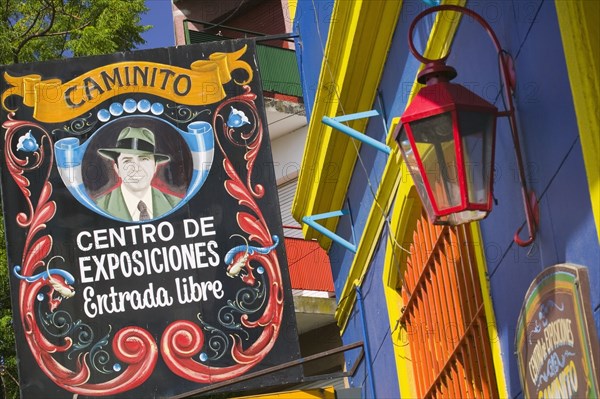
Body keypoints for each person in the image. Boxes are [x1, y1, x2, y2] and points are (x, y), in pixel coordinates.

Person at [96, 126, 181, 221]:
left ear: (155, 167)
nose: (136, 168)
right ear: (117, 169)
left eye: (144, 159)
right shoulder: (98, 208)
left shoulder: (176, 204)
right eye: (127, 161)